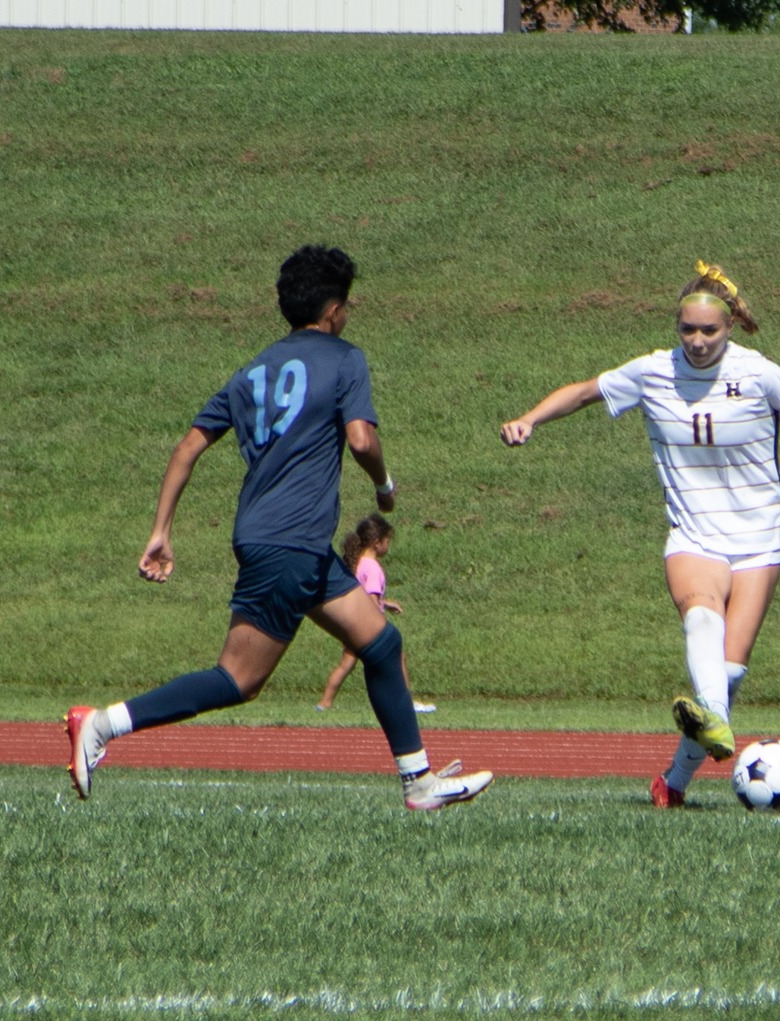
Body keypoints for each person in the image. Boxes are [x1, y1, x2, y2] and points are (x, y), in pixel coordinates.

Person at [64, 246, 491, 811]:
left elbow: (188, 447)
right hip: (289, 544)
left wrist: (160, 531)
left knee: (382, 644)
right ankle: (102, 724)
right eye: (347, 305)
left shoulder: (252, 371)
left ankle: (419, 781)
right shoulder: (345, 359)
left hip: (292, 543)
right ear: (334, 310)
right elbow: (361, 439)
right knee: (237, 680)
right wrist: (384, 485)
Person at [500, 262, 780, 808]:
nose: (698, 341)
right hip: (694, 534)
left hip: (759, 538)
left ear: (730, 326)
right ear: (676, 327)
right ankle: (714, 719)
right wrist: (531, 419)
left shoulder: (759, 373)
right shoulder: (653, 372)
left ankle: (674, 781)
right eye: (688, 329)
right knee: (701, 616)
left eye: (709, 330)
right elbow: (585, 392)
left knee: (727, 673)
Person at [317, 513, 437, 715]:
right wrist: (381, 624)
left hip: (352, 623)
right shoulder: (373, 568)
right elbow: (372, 600)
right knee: (399, 657)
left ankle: (324, 703)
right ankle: (406, 703)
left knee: (346, 665)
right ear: (376, 543)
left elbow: (363, 594)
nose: (388, 546)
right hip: (367, 627)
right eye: (387, 541)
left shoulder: (358, 563)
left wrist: (385, 603)